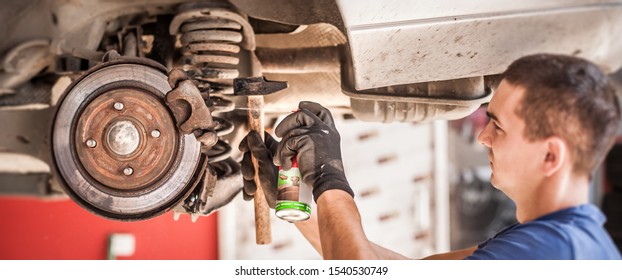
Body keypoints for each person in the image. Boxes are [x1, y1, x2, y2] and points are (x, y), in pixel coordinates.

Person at [238, 54, 622, 259]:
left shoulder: (556, 254)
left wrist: (327, 176)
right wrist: (299, 207)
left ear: (550, 156)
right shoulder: (557, 241)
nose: (483, 137)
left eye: (498, 127)